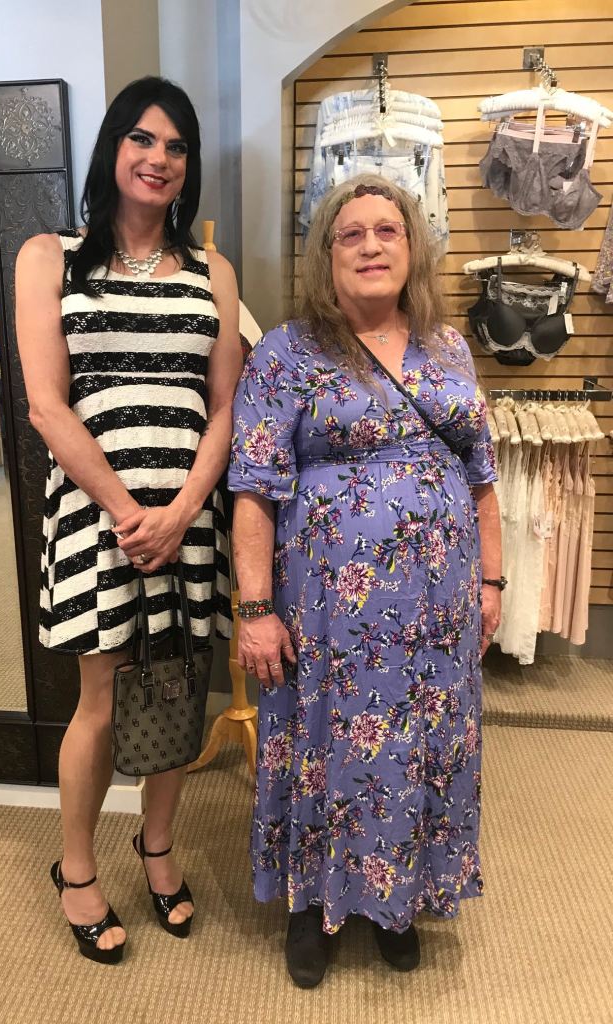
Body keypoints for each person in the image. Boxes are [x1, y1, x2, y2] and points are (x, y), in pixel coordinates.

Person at [228, 175, 502, 988]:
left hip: (438, 612)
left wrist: (492, 582)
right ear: (327, 255)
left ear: (412, 248)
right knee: (322, 747)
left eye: (388, 230)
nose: (372, 245)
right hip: (326, 615)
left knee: (420, 747)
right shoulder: (287, 353)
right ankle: (312, 905)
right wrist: (255, 608)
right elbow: (254, 491)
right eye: (351, 234)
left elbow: (482, 477)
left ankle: (399, 900)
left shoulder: (448, 348)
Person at [15, 76, 240, 965]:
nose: (159, 158)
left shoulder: (213, 271)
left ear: (189, 167)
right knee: (101, 701)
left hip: (187, 519)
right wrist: (128, 511)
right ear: (113, 147)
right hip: (96, 516)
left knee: (177, 688)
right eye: (142, 138)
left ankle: (158, 850)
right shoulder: (51, 257)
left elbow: (224, 409)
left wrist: (180, 513)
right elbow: (46, 404)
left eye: (177, 146)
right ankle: (75, 869)